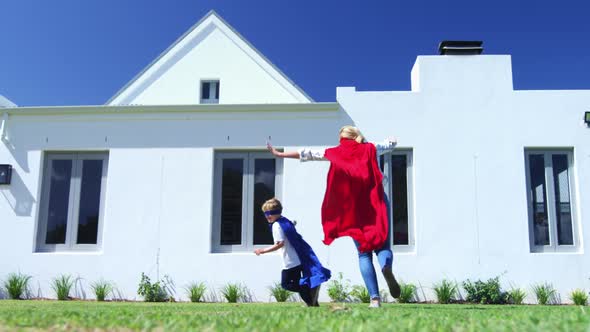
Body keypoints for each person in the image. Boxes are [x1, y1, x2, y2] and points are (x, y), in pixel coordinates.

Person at [267, 125, 400, 308]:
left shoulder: (335, 152)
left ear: (342, 139)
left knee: (363, 255)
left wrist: (281, 154)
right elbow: (390, 144)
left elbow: (309, 153)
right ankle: (386, 266)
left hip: (354, 210)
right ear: (356, 136)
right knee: (382, 246)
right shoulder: (370, 148)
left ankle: (375, 299)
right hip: (376, 204)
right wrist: (392, 138)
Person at [254, 198, 331, 307]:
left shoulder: (276, 225)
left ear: (277, 213)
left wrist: (262, 250)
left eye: (269, 213)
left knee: (287, 284)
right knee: (296, 283)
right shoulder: (284, 221)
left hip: (290, 261)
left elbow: (280, 244)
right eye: (265, 214)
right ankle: (312, 302)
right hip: (297, 259)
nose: (267, 216)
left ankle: (310, 289)